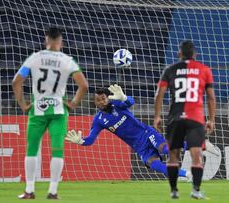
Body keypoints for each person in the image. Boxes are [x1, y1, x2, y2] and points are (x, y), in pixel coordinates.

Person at [12, 27, 88, 199]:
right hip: (59, 111)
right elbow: (84, 85)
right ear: (60, 42)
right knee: (57, 151)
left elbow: (16, 81)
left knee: (31, 150)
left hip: (37, 110)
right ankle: (53, 192)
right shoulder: (67, 60)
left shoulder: (35, 58)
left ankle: (29, 190)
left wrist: (23, 104)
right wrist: (73, 103)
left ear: (46, 40)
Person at [65, 85, 192, 180]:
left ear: (108, 98)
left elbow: (130, 102)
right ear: (95, 103)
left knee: (164, 149)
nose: (101, 102)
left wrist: (124, 97)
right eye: (98, 100)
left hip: (146, 134)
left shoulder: (117, 104)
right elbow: (91, 140)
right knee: (153, 164)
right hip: (139, 147)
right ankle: (187, 174)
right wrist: (81, 141)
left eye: (103, 98)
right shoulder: (98, 120)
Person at [154, 40, 216, 199]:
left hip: (175, 118)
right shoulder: (204, 70)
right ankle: (195, 190)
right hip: (196, 119)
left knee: (173, 155)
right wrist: (211, 119)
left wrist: (157, 116)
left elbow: (159, 95)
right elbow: (210, 97)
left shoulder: (170, 70)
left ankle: (174, 190)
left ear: (179, 54)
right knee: (196, 155)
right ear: (195, 54)